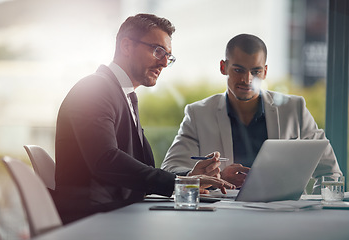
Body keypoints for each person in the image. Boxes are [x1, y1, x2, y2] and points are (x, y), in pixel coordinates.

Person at [54, 13, 233, 224]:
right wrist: (177, 182)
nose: (164, 63)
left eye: (169, 56)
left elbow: (138, 165)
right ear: (127, 46)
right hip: (95, 220)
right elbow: (105, 160)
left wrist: (187, 178)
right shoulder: (95, 89)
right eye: (158, 51)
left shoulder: (123, 94)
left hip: (118, 214)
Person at [161, 33, 342, 191]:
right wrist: (213, 178)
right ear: (223, 67)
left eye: (255, 71)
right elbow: (170, 170)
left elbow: (330, 173)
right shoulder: (198, 114)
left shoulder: (294, 109)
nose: (247, 79)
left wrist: (315, 211)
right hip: (220, 215)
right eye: (238, 70)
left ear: (265, 72)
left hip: (284, 217)